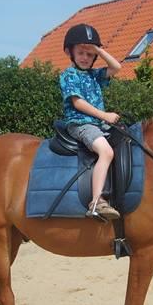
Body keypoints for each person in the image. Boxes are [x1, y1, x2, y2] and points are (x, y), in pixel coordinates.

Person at [59, 23, 123, 220]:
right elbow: (77, 103)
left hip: (98, 124)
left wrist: (98, 49)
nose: (85, 58)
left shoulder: (95, 75)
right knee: (106, 151)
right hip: (80, 123)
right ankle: (96, 203)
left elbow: (116, 67)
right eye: (81, 52)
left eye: (89, 54)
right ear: (70, 53)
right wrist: (104, 116)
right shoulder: (69, 75)